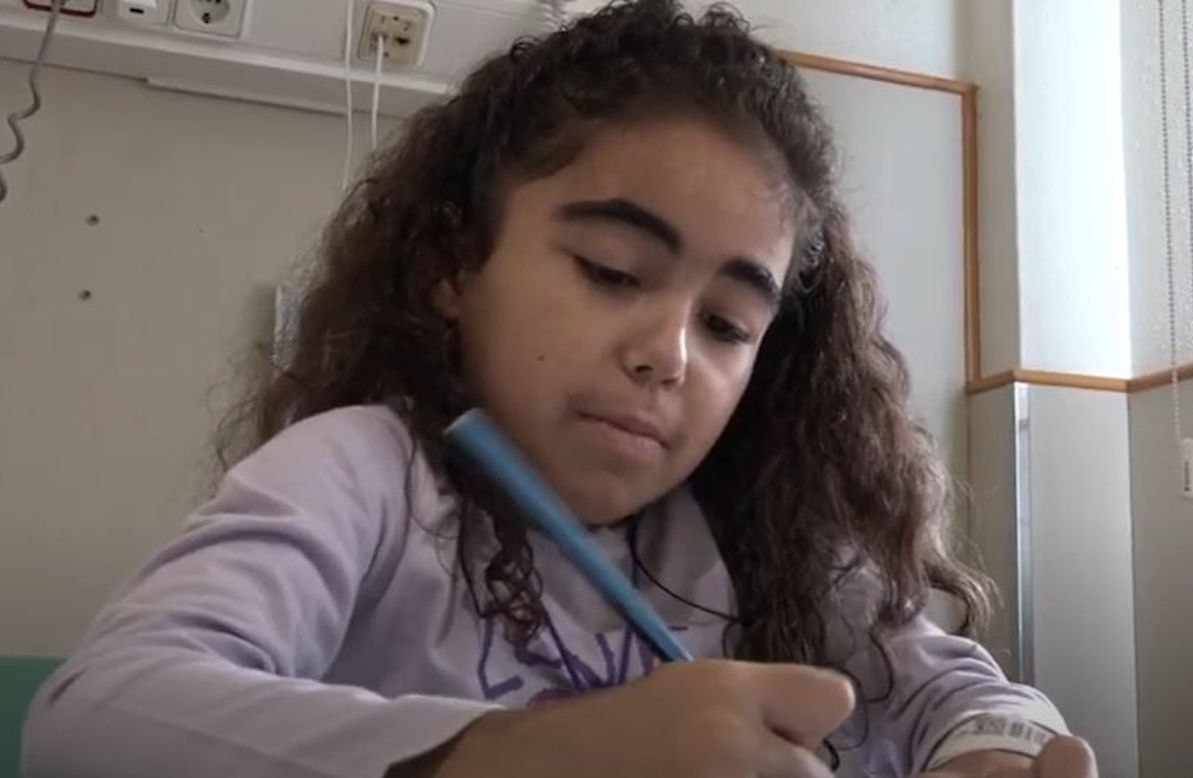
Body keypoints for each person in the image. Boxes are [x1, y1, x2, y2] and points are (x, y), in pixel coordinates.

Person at [22, 1, 1097, 776]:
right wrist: (532, 754)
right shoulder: (366, 473)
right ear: (453, 267)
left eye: (727, 325)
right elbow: (91, 717)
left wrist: (992, 749)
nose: (670, 353)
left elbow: (954, 688)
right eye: (613, 272)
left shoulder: (745, 535)